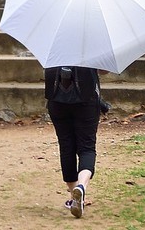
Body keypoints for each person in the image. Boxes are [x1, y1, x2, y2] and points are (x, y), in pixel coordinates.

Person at [44, 64, 104, 218]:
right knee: (87, 148)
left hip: (56, 99)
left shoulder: (52, 43)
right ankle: (82, 186)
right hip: (86, 98)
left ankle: (74, 195)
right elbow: (104, 69)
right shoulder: (92, 43)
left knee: (66, 147)